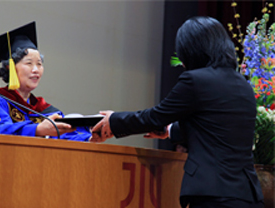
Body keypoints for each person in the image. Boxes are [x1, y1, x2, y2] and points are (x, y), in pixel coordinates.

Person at [91, 16, 264, 208]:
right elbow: (217, 130)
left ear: (192, 49)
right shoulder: (243, 85)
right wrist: (169, 131)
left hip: (214, 196)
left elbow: (154, 116)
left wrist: (114, 120)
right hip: (249, 195)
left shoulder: (196, 80)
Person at [0, 22, 91, 141]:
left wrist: (90, 139)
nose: (36, 70)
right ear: (10, 67)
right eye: (29, 63)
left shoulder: (44, 110)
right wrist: (37, 130)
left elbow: (66, 137)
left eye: (39, 64)